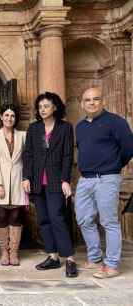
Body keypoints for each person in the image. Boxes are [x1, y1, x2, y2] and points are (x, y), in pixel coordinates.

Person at [75, 87, 133, 279]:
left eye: (96, 99)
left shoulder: (116, 122)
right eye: (87, 100)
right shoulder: (80, 126)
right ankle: (95, 257)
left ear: (103, 101)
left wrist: (114, 166)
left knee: (109, 221)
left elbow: (128, 149)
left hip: (107, 178)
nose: (91, 103)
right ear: (82, 103)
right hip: (85, 180)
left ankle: (112, 264)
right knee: (83, 219)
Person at [22, 92, 77, 278]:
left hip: (55, 181)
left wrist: (65, 180)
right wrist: (26, 177)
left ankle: (69, 258)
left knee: (57, 218)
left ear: (55, 107)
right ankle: (53, 256)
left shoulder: (65, 128)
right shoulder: (33, 128)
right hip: (38, 182)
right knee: (43, 220)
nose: (43, 109)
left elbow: (68, 156)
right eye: (40, 107)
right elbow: (28, 154)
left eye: (46, 106)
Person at [0, 104, 26, 266]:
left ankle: (14, 253)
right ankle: (4, 253)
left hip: (18, 180)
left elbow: (28, 158)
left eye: (12, 116)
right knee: (2, 217)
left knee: (16, 217)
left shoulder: (23, 135)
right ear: (1, 117)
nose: (9, 118)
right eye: (6, 115)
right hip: (0, 180)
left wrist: (27, 178)